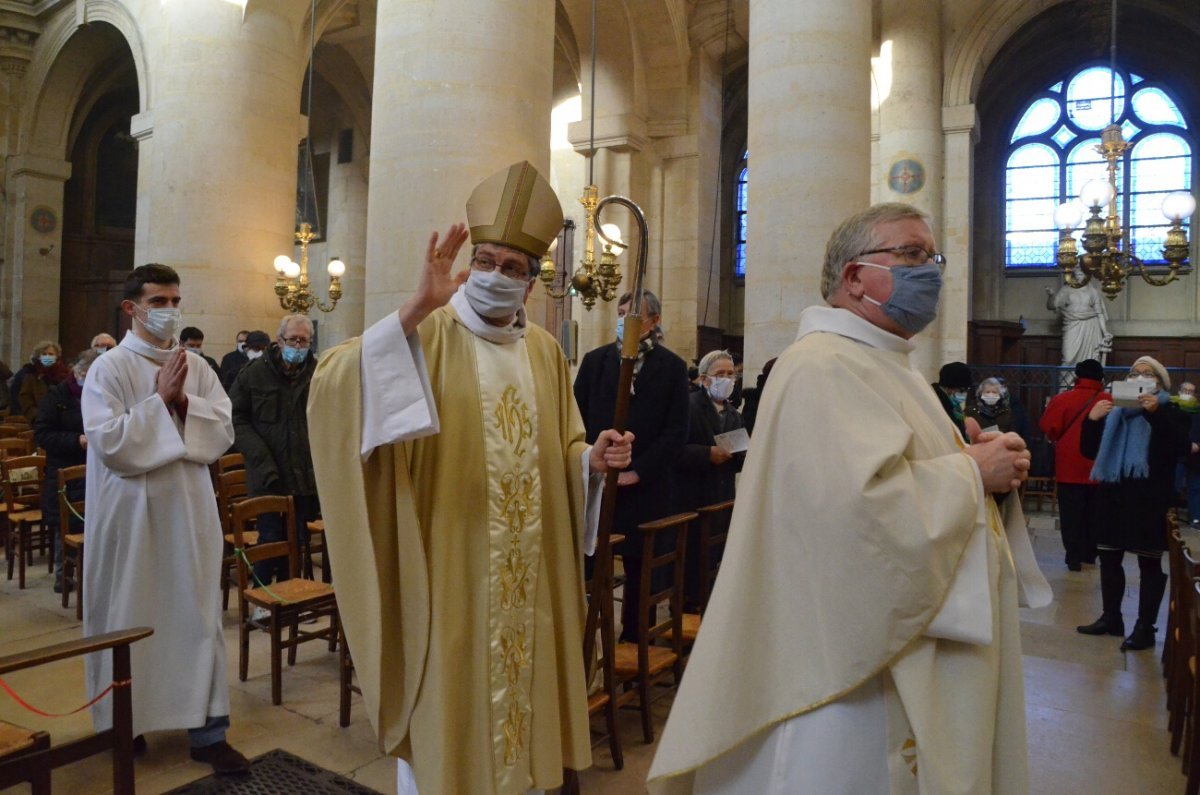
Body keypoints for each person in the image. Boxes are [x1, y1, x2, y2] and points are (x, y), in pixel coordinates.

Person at [648, 202, 1048, 794]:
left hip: (891, 643)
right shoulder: (821, 366)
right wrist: (970, 475)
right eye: (910, 255)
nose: (929, 272)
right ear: (854, 277)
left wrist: (989, 468)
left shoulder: (894, 368)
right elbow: (855, 516)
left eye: (931, 257)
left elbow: (911, 477)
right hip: (846, 674)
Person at [306, 161, 632, 795]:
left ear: (533, 283)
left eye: (514, 268)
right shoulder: (427, 334)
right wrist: (413, 308)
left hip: (528, 570)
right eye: (486, 260)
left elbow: (560, 444)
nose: (497, 277)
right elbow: (334, 386)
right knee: (446, 714)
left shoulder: (543, 350)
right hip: (448, 565)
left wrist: (588, 462)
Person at [81, 263, 248, 774]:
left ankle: (208, 732)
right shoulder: (109, 369)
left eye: (175, 300)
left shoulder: (196, 366)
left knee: (197, 617)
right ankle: (124, 727)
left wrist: (182, 402)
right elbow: (109, 443)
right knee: (128, 615)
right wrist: (159, 403)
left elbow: (222, 429)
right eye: (158, 301)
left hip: (189, 511)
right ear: (131, 308)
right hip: (129, 516)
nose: (169, 311)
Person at [574, 288, 690, 641]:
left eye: (634, 314)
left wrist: (637, 471)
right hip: (599, 482)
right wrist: (593, 461)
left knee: (641, 574)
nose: (625, 320)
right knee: (592, 566)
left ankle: (636, 642)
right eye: (621, 313)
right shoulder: (596, 362)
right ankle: (591, 639)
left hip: (647, 489)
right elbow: (575, 418)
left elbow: (675, 433)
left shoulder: (672, 368)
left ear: (653, 322)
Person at [1077, 356, 1190, 651]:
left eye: (1147, 374)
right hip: (1113, 495)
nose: (1138, 377)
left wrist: (1154, 414)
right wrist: (1092, 419)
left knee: (1149, 563)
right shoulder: (1115, 413)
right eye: (1133, 373)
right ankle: (1111, 617)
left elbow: (1179, 447)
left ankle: (1145, 628)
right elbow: (1089, 452)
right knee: (1110, 558)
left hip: (1149, 499)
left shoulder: (1171, 409)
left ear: (1160, 383)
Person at [230, 313, 321, 596]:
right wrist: (260, 457)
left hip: (301, 474)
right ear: (279, 340)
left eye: (303, 340)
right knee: (270, 540)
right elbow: (235, 418)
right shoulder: (255, 373)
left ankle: (288, 600)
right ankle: (260, 598)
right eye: (293, 339)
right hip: (266, 471)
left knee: (296, 540)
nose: (298, 345)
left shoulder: (316, 372)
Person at [673, 349, 745, 609]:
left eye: (731, 374)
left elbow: (740, 448)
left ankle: (712, 602)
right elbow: (674, 449)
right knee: (694, 557)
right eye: (720, 375)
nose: (726, 379)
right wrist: (706, 454)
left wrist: (742, 453)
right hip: (695, 493)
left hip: (722, 494)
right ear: (704, 379)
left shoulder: (734, 413)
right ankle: (688, 604)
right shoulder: (690, 407)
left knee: (717, 554)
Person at [33, 349, 97, 592]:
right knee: (66, 526)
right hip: (64, 470)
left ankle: (91, 576)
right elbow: (43, 435)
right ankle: (64, 575)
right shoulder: (57, 396)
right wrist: (77, 440)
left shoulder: (99, 395)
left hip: (94, 469)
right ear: (79, 372)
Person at [1040, 359, 1111, 570]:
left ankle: (1073, 555)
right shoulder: (1108, 400)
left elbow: (1049, 427)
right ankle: (1090, 554)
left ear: (1077, 376)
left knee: (1071, 514)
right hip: (1099, 466)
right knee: (1095, 513)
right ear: (1101, 378)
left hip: (1068, 466)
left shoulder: (1062, 399)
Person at [1046, 270, 1113, 370]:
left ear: (1087, 276)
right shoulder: (1067, 289)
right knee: (1068, 358)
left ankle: (1089, 381)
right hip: (1071, 324)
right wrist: (1051, 295)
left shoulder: (1092, 291)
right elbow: (1051, 306)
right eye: (1076, 274)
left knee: (1090, 359)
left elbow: (1099, 313)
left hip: (1090, 325)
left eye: (1081, 274)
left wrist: (1105, 332)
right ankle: (1066, 384)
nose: (1078, 277)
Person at [17, 341, 70, 420]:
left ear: (57, 356)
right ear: (38, 356)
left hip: (63, 419)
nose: (47, 356)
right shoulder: (31, 374)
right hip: (39, 419)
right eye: (44, 354)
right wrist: (37, 416)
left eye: (51, 354)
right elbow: (25, 399)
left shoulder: (65, 374)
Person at [1174, 382, 1200, 526]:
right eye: (1185, 390)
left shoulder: (1198, 411)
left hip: (1195, 456)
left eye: (1191, 391)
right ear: (1179, 391)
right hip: (1177, 455)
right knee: (1174, 487)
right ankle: (1169, 518)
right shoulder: (1173, 408)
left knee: (1195, 488)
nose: (1187, 393)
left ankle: (1195, 518)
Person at [931, 360, 971, 439]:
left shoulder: (951, 401)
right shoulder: (938, 401)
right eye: (962, 389)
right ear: (953, 385)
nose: (963, 393)